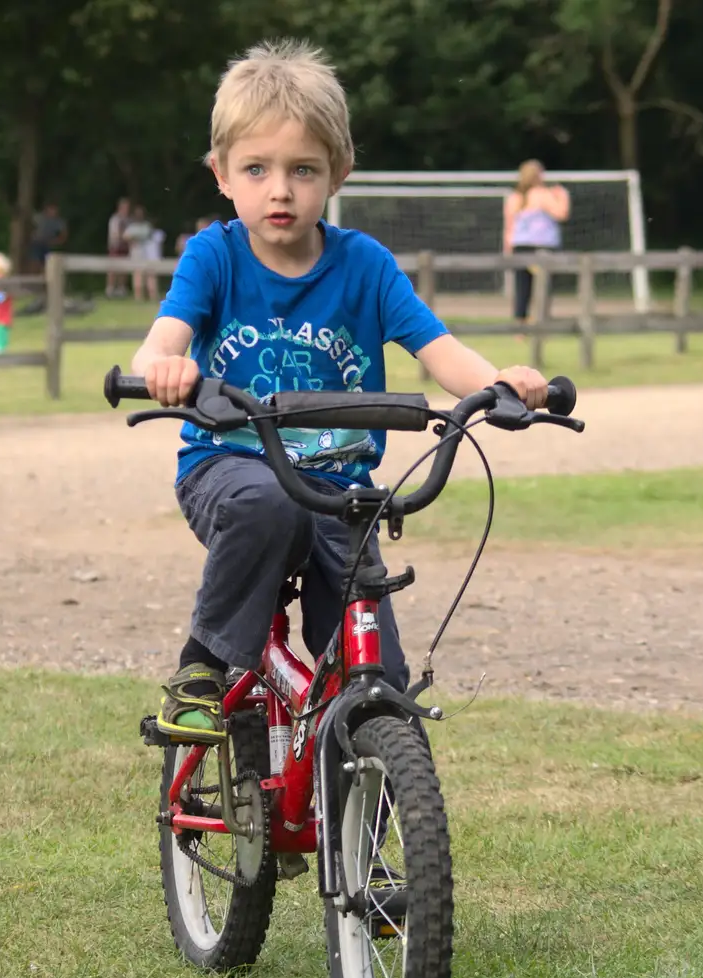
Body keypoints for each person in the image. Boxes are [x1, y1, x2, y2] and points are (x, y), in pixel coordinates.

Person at [129, 39, 550, 742]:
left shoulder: (365, 266)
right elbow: (165, 336)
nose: (281, 189)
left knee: (376, 683)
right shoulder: (215, 256)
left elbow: (438, 348)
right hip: (229, 470)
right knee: (268, 505)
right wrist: (162, 367)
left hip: (338, 492)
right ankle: (202, 667)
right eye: (256, 169)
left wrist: (499, 383)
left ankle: (372, 828)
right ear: (222, 176)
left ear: (339, 174)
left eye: (303, 170)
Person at [502, 159, 570, 330]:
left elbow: (509, 226)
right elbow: (562, 214)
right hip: (543, 246)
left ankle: (520, 324)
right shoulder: (543, 194)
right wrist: (562, 196)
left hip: (520, 246)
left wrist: (508, 248)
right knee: (544, 285)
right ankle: (540, 321)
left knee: (522, 287)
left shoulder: (513, 197)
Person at [28, 201, 67, 275]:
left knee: (47, 264)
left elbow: (63, 234)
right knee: (35, 262)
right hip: (37, 242)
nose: (52, 212)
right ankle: (33, 278)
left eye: (54, 210)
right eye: (51, 209)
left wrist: (57, 241)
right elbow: (30, 226)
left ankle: (44, 279)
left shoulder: (59, 222)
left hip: (48, 244)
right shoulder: (39, 217)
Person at [106, 198, 132, 299]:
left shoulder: (128, 220)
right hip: (115, 246)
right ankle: (110, 289)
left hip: (125, 248)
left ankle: (121, 289)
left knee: (123, 269)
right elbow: (115, 234)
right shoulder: (115, 219)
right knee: (112, 268)